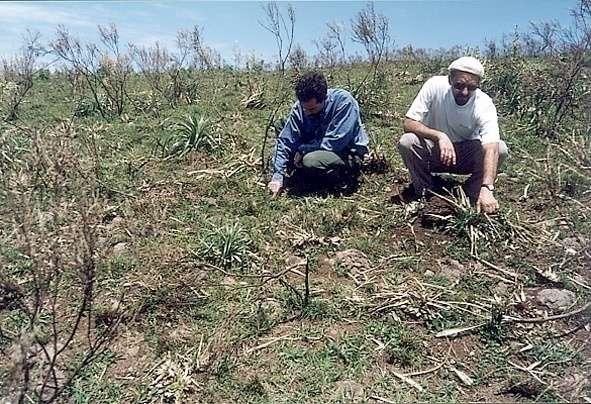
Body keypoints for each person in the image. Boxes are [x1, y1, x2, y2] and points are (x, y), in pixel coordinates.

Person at [396, 56, 508, 213]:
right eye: (459, 85)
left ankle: (472, 191)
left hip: (465, 156)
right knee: (407, 141)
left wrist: (487, 186)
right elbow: (409, 122)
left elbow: (492, 147)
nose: (464, 92)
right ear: (450, 79)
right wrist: (439, 136)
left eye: (471, 87)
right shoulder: (434, 85)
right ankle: (424, 192)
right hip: (435, 151)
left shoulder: (484, 103)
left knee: (500, 148)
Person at [267, 71, 369, 196]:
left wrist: (303, 149)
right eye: (304, 108)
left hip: (345, 151)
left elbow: (335, 142)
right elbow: (285, 140)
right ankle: (301, 171)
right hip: (316, 145)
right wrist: (277, 176)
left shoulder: (344, 102)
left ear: (324, 98)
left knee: (310, 161)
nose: (307, 113)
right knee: (281, 125)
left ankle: (343, 178)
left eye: (312, 109)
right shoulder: (300, 108)